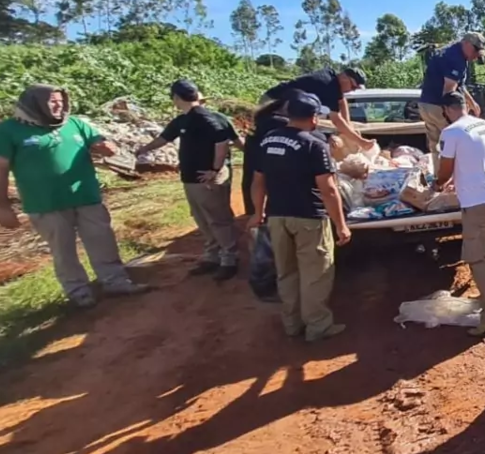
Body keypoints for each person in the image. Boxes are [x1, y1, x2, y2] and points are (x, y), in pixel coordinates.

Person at [0, 85, 146, 308]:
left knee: (103, 241)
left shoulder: (75, 123)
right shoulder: (7, 131)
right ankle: (79, 292)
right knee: (63, 250)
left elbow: (99, 142)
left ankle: (115, 281)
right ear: (34, 104)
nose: (58, 106)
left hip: (86, 196)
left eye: (61, 101)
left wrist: (106, 147)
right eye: (52, 102)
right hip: (45, 203)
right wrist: (3, 206)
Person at [250, 91, 352, 342]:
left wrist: (258, 212)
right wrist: (341, 225)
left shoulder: (269, 140)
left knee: (286, 272)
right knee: (315, 274)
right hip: (309, 218)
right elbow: (328, 190)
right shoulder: (314, 144)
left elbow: (258, 181)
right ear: (314, 118)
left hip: (277, 216)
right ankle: (318, 327)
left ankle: (292, 324)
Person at [135, 79, 240, 281]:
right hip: (191, 177)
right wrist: (144, 149)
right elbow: (164, 138)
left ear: (176, 98)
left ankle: (229, 259)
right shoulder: (182, 120)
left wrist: (215, 169)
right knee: (201, 218)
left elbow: (222, 141)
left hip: (207, 178)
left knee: (218, 219)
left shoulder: (205, 117)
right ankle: (212, 256)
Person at [432, 92, 485, 336]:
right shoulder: (483, 123)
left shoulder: (451, 132)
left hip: (475, 202)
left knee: (476, 257)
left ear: (446, 109)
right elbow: (474, 158)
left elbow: (445, 169)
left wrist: (437, 184)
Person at [243, 105, 290, 303]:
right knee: (266, 243)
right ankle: (265, 287)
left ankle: (264, 284)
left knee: (261, 238)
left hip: (255, 186)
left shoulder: (263, 123)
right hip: (266, 190)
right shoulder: (276, 125)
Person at [420, 33, 485, 168]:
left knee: (436, 146)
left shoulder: (446, 52)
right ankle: (454, 181)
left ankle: (439, 178)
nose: (475, 57)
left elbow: (458, 84)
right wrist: (456, 115)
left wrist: (471, 102)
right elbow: (449, 90)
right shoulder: (457, 59)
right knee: (455, 143)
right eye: (475, 51)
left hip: (425, 104)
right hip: (440, 107)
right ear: (466, 44)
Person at [261, 67, 370, 150]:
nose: (353, 90)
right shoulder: (328, 86)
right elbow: (336, 121)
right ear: (344, 77)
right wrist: (362, 142)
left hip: (283, 105)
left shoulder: (332, 78)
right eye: (353, 86)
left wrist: (349, 126)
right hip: (273, 104)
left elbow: (341, 101)